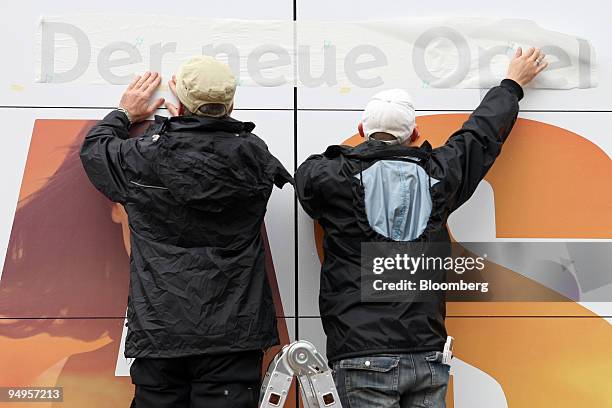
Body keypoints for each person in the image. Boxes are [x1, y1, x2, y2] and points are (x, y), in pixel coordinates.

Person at [295, 47, 548, 407]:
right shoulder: (440, 174)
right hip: (427, 354)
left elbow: (306, 175)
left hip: (361, 355)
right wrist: (511, 85)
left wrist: (351, 157)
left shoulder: (333, 177)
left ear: (361, 130)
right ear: (416, 133)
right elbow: (479, 135)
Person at [79, 56, 292, 408]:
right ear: (232, 105)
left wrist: (123, 114)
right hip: (234, 335)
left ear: (177, 106)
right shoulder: (255, 154)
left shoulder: (142, 156)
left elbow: (96, 151)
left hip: (162, 330)